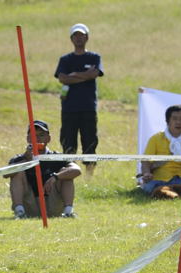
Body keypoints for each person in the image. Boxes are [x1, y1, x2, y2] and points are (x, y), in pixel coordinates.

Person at [4, 120, 82, 218]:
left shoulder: (56, 156)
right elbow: (5, 174)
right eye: (33, 136)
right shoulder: (19, 158)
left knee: (66, 173)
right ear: (28, 139)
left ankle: (68, 212)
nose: (37, 139)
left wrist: (55, 177)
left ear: (48, 138)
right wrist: (26, 161)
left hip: (53, 203)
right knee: (17, 171)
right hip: (30, 204)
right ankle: (20, 212)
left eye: (41, 135)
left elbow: (77, 170)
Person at [54, 23, 104, 173]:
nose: (79, 38)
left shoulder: (94, 57)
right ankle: (70, 172)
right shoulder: (65, 59)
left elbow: (95, 74)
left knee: (90, 140)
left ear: (87, 37)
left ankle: (89, 175)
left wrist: (73, 75)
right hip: (69, 107)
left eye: (81, 35)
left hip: (88, 106)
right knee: (68, 141)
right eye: (75, 35)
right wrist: (85, 75)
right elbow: (62, 78)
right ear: (71, 39)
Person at [140, 104, 181, 199]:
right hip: (159, 180)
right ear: (168, 121)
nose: (178, 122)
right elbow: (146, 161)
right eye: (174, 119)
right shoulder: (156, 139)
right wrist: (146, 173)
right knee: (150, 187)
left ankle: (176, 192)